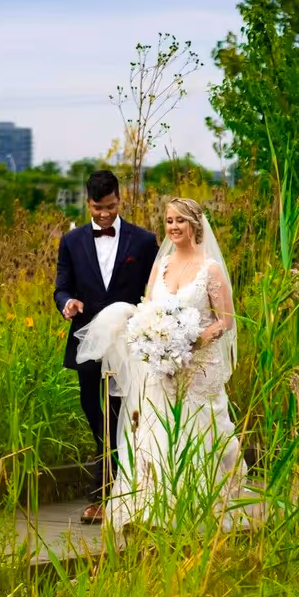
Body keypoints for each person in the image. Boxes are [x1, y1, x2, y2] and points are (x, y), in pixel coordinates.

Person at [74, 196, 246, 532]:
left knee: (200, 429)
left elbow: (225, 320)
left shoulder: (209, 269)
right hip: (161, 368)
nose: (174, 227)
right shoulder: (162, 263)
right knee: (154, 432)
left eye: (180, 221)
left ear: (195, 224)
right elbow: (149, 307)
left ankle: (202, 501)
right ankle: (153, 508)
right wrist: (152, 337)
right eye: (169, 221)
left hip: (197, 368)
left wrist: (194, 340)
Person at [54, 170, 159, 524]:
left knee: (121, 416)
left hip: (129, 347)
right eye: (98, 208)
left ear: (120, 200)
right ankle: (110, 487)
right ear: (88, 203)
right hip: (87, 346)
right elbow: (62, 287)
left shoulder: (144, 242)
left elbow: (156, 291)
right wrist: (67, 303)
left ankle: (107, 496)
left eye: (110, 207)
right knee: (95, 417)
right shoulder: (71, 242)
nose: (104, 214)